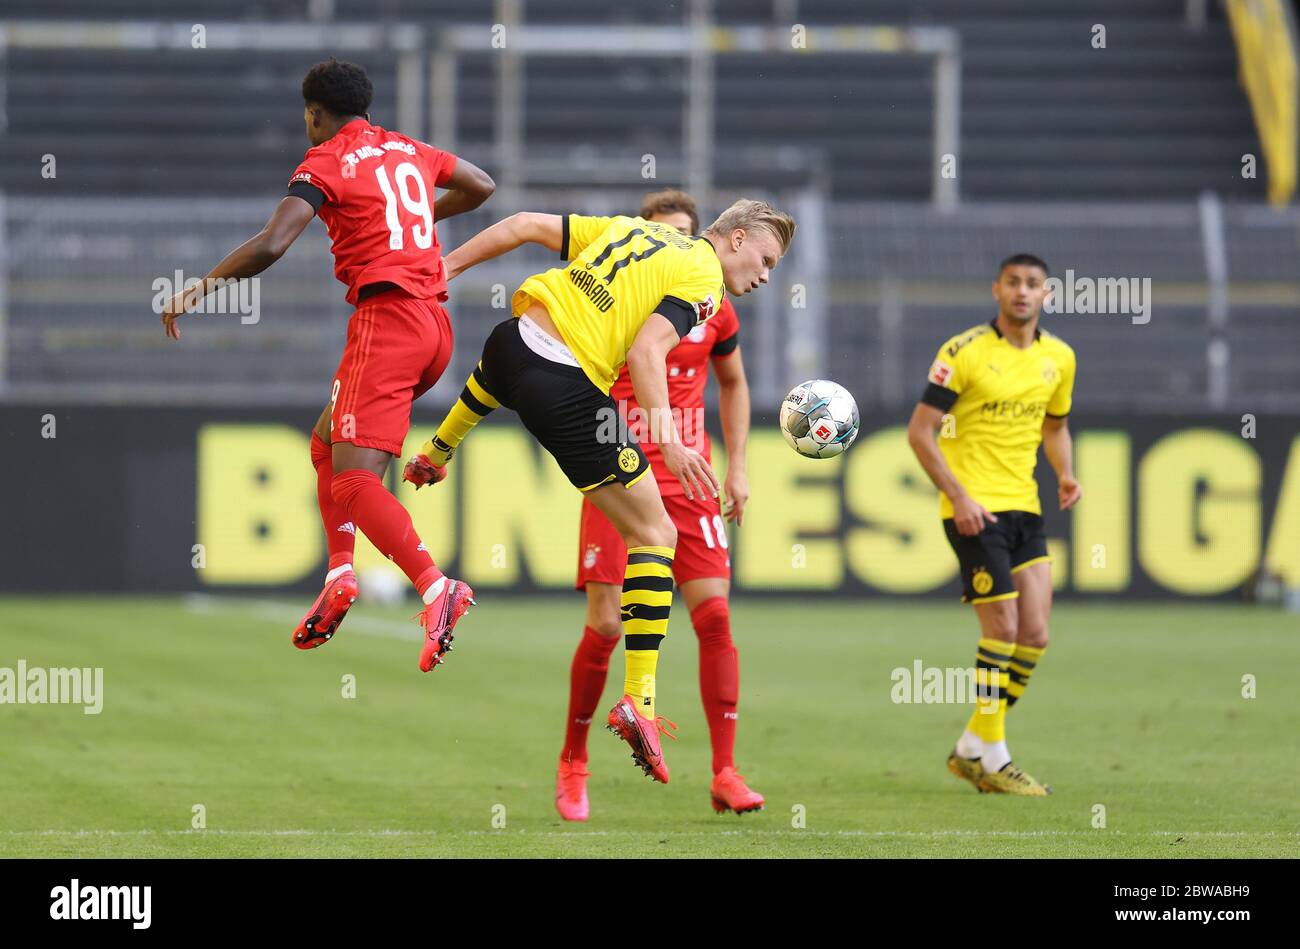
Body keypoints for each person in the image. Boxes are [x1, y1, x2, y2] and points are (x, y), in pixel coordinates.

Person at [403, 198, 795, 784]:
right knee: (657, 532)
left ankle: (434, 453)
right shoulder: (705, 278)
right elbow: (645, 352)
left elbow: (522, 227)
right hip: (565, 385)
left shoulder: (630, 232)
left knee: (503, 374)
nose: (765, 277)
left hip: (509, 341)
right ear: (735, 239)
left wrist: (443, 271)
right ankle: (640, 700)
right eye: (765, 260)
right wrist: (671, 443)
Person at [160, 59, 495, 671]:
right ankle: (341, 575)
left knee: (354, 481)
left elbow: (271, 243)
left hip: (387, 322)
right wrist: (416, 218)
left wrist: (199, 288)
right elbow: (481, 184)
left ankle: (436, 587)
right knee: (325, 444)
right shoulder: (404, 147)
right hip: (436, 328)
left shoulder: (324, 162)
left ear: (314, 114)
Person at [906, 253, 1080, 796]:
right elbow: (920, 432)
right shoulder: (964, 353)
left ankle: (969, 748)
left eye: (1033, 284)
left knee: (1035, 634)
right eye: (1013, 283)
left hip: (1025, 506)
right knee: (1001, 629)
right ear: (997, 290)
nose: (1023, 292)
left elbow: (1056, 425)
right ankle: (995, 758)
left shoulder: (1060, 358)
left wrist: (1066, 473)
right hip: (972, 510)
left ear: (1047, 294)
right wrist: (958, 496)